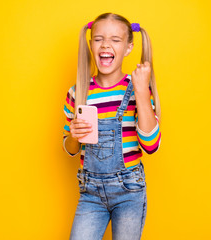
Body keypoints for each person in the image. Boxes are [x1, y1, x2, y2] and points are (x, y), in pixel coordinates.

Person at [62, 13, 162, 240]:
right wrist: (75, 136)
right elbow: (69, 147)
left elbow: (151, 145)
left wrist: (141, 92)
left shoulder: (136, 89)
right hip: (91, 192)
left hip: (129, 191)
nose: (106, 44)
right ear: (90, 45)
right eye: (99, 39)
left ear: (128, 48)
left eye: (115, 40)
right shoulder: (77, 93)